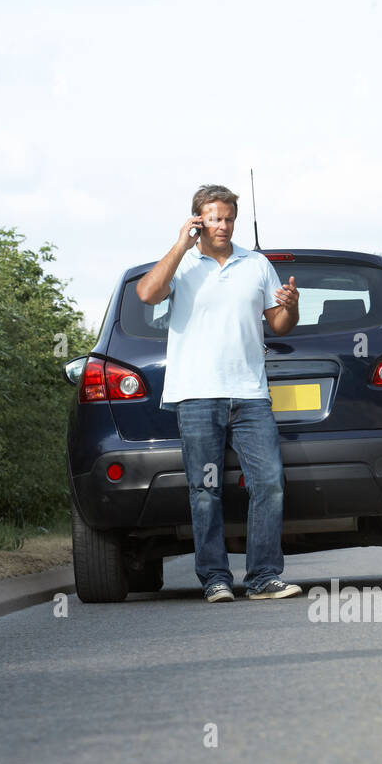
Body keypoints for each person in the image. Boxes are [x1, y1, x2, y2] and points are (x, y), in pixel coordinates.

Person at [136, 183, 303, 601]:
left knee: (269, 483)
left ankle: (264, 577)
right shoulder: (183, 265)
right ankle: (215, 579)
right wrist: (179, 245)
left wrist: (292, 304)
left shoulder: (256, 265)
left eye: (228, 218)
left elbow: (280, 325)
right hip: (196, 394)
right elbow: (147, 293)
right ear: (198, 220)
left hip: (250, 394)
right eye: (213, 217)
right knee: (204, 490)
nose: (222, 225)